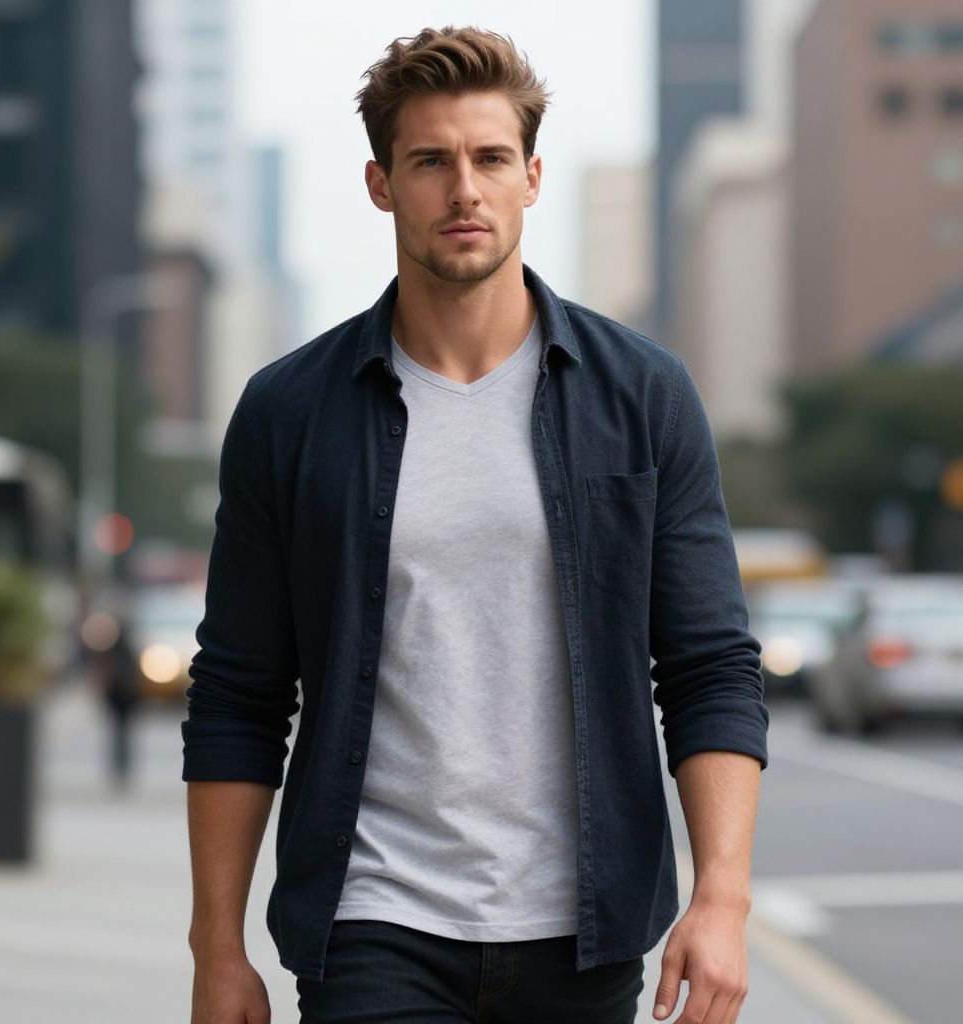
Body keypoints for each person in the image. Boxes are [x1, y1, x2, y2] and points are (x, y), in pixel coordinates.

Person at [183, 25, 769, 1024]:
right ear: (381, 184)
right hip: (371, 921)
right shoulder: (291, 411)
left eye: (491, 158)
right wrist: (217, 945)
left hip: (582, 928)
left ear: (531, 177)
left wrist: (721, 896)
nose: (465, 190)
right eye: (431, 162)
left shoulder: (641, 396)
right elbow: (240, 692)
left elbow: (708, 663)